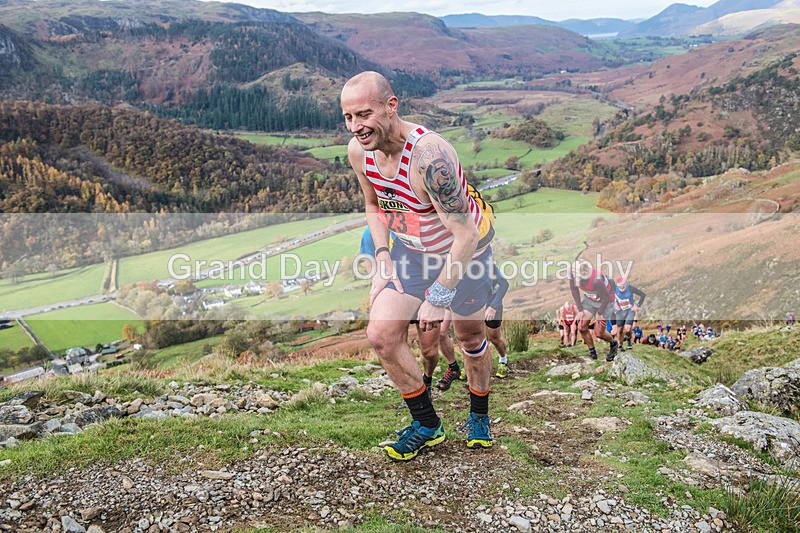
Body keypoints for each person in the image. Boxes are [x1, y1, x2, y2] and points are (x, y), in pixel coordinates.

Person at [342, 71, 497, 460]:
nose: (356, 127)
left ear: (391, 106)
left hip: (464, 258)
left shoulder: (430, 157)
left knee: (469, 340)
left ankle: (479, 414)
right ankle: (427, 424)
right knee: (381, 335)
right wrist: (381, 259)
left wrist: (439, 295)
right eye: (348, 117)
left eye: (364, 114)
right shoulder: (359, 152)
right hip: (411, 254)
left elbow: (467, 235)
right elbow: (373, 205)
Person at [569, 261, 618, 361]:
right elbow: (574, 290)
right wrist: (580, 309)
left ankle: (613, 344)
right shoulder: (573, 276)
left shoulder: (596, 280)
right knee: (582, 327)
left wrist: (599, 313)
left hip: (606, 301)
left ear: (585, 271)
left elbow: (606, 298)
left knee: (599, 333)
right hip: (589, 299)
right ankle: (592, 353)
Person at [486, 264, 510, 378]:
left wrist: (493, 306)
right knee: (472, 338)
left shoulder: (490, 266)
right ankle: (471, 365)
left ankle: (503, 360)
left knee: (493, 338)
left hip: (492, 306)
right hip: (474, 306)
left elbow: (504, 284)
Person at [611, 277, 646, 351]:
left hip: (630, 310)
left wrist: (637, 305)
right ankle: (620, 346)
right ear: (618, 285)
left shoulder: (630, 288)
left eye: (624, 285)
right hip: (620, 311)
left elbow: (643, 295)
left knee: (627, 329)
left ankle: (629, 340)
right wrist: (613, 304)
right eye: (620, 286)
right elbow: (607, 296)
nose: (622, 287)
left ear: (626, 284)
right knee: (619, 329)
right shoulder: (614, 288)